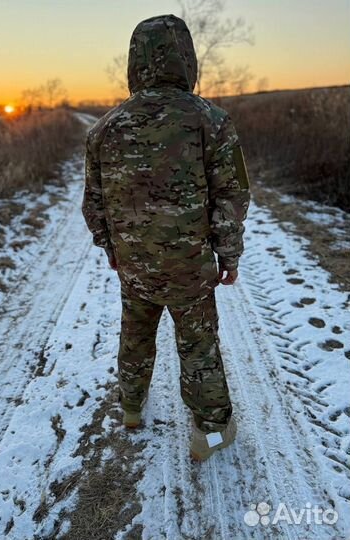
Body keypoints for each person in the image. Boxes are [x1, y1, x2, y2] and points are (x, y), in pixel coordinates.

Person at [82, 14, 250, 461]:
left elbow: (93, 203)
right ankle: (209, 433)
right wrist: (228, 253)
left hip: (135, 264)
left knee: (135, 333)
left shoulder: (105, 128)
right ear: (187, 60)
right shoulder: (209, 119)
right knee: (198, 344)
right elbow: (231, 195)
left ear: (135, 63)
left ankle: (132, 408)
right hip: (190, 267)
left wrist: (110, 247)